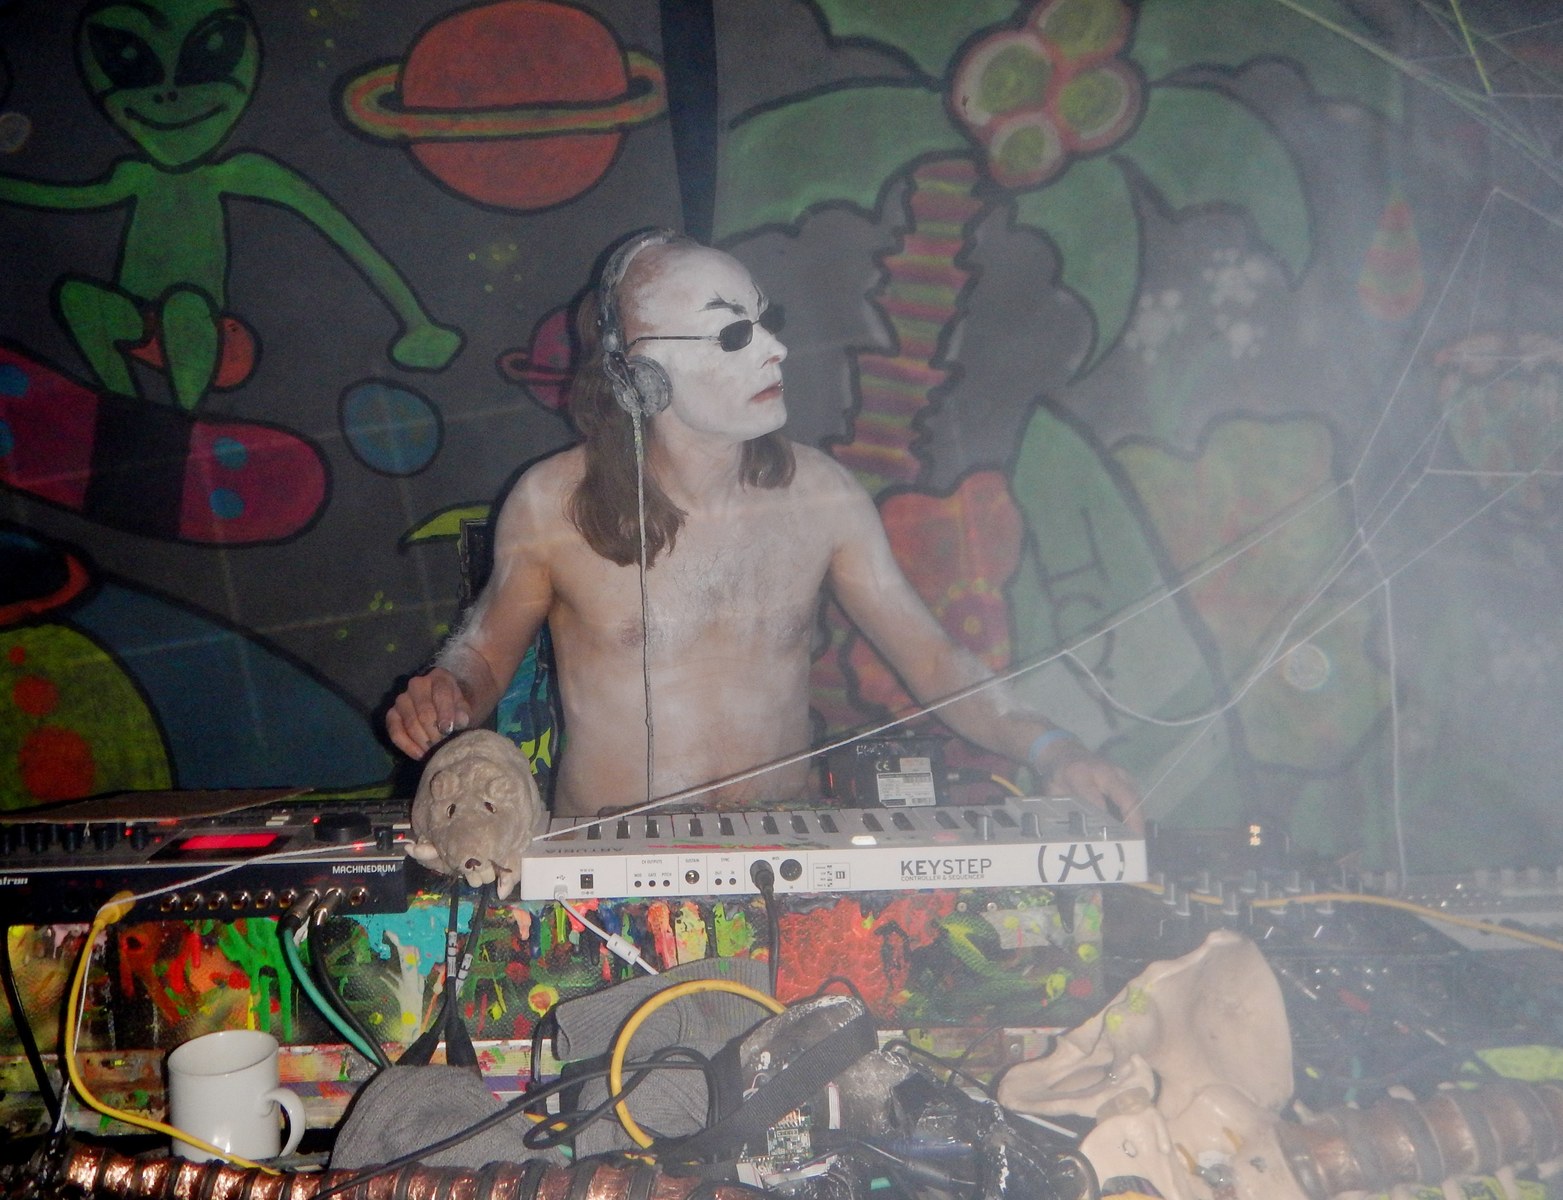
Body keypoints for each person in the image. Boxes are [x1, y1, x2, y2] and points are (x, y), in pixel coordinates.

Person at [387, 229, 1138, 822]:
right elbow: (483, 657)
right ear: (638, 374)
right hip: (611, 868)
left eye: (764, 322)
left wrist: (1054, 748)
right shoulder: (551, 501)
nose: (775, 348)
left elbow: (937, 663)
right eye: (731, 335)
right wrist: (445, 692)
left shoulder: (822, 495)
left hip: (782, 856)